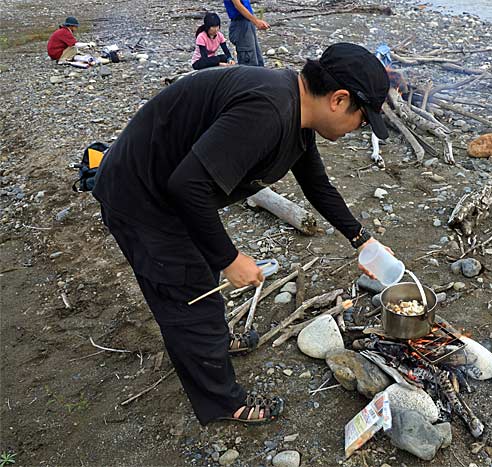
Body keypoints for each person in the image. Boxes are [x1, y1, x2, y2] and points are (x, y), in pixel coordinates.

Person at [92, 43, 390, 425]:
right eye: (362, 120)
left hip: (168, 190)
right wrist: (230, 259)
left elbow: (317, 186)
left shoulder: (296, 113)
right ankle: (222, 403)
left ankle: (213, 342)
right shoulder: (268, 110)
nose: (359, 129)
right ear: (339, 99)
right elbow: (188, 185)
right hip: (141, 197)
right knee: (188, 293)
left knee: (200, 272)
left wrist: (362, 239)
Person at [223, 0, 269, 66]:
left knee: (257, 58)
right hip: (240, 24)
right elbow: (238, 5)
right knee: (248, 60)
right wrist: (256, 21)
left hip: (248, 21)